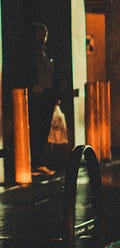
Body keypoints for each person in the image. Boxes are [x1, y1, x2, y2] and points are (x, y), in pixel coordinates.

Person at [20, 23, 58, 176]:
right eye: (39, 35)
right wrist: (33, 85)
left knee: (43, 129)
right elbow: (26, 72)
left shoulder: (45, 52)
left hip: (46, 94)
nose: (42, 38)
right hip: (36, 95)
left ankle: (39, 162)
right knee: (36, 129)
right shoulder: (30, 54)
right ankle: (35, 162)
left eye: (44, 35)